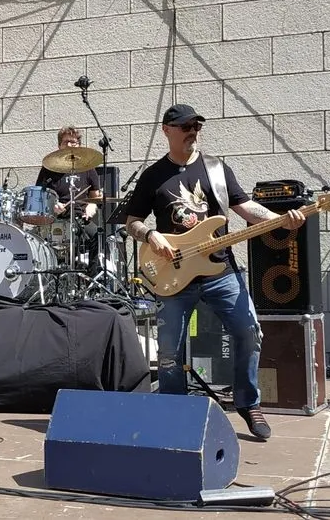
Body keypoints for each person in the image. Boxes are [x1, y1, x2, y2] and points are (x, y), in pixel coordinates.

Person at [124, 104, 305, 440]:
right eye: (185, 126)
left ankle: (249, 403)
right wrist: (151, 235)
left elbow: (245, 207)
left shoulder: (217, 170)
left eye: (196, 126)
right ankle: (174, 412)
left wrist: (281, 218)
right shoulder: (152, 176)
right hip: (175, 275)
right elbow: (132, 221)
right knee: (168, 353)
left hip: (221, 271)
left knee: (249, 333)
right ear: (167, 130)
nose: (192, 131)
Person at [35, 126, 103, 221]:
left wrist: (92, 206)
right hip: (54, 219)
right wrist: (52, 205)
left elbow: (96, 197)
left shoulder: (88, 167)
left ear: (79, 145)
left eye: (73, 142)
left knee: (99, 235)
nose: (70, 145)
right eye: (66, 142)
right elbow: (38, 197)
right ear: (59, 146)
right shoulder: (48, 168)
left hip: (81, 219)